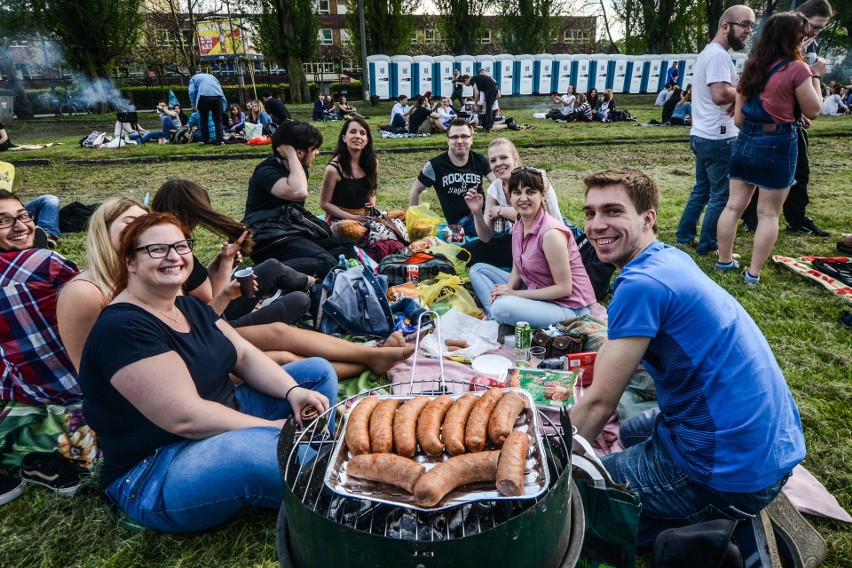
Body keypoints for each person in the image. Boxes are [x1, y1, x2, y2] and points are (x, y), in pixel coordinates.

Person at [574, 167, 806, 550]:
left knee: (582, 489)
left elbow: (599, 402)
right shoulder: (668, 258)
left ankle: (694, 534)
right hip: (771, 446)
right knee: (630, 432)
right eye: (590, 213)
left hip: (729, 472)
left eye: (612, 211)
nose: (597, 225)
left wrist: (549, 464)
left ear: (648, 218)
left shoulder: (640, 285)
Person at [76, 212, 336, 533]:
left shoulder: (187, 307)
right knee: (253, 450)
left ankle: (313, 456)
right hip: (157, 467)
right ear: (130, 262)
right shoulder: (123, 327)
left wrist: (292, 392)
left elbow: (243, 355)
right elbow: (186, 417)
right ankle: (333, 482)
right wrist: (271, 428)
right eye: (157, 249)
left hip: (224, 421)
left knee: (315, 375)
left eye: (181, 246)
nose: (174, 256)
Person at [56, 198, 415, 388]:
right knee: (281, 357)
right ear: (105, 236)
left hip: (194, 341)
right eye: (130, 227)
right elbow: (94, 374)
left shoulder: (158, 265)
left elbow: (192, 316)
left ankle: (373, 357)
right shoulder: (86, 292)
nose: (143, 233)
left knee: (281, 333)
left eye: (145, 223)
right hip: (168, 373)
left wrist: (224, 285)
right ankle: (370, 361)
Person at [715, 12, 824, 285]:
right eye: (803, 36)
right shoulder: (798, 69)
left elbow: (739, 119)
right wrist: (816, 76)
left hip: (746, 139)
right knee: (768, 214)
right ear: (793, 39)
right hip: (778, 142)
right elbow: (814, 109)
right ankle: (752, 274)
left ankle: (724, 261)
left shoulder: (752, 66)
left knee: (732, 207)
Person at [0, 190, 93, 504]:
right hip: (76, 384)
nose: (20, 226)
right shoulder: (45, 263)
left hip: (23, 386)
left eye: (23, 216)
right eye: (4, 221)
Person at [151, 180, 312, 326]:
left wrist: (217, 264)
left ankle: (312, 284)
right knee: (299, 300)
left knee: (273, 266)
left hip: (208, 319)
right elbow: (216, 301)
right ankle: (315, 287)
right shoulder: (176, 253)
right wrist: (227, 262)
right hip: (215, 325)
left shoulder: (161, 246)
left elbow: (195, 285)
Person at [741, 0, 835, 237]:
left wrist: (798, 110)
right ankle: (752, 219)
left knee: (799, 172)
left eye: (820, 29)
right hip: (775, 127)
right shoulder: (776, 52)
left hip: (786, 123)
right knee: (759, 177)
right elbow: (813, 106)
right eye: (812, 26)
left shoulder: (803, 50)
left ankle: (796, 217)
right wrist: (815, 74)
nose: (814, 33)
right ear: (798, 21)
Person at [468, 166, 595, 328]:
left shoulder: (551, 234)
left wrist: (513, 294)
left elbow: (564, 289)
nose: (523, 198)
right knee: (478, 270)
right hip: (536, 289)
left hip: (570, 308)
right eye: (517, 193)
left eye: (530, 192)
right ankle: (501, 318)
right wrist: (508, 288)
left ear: (542, 195)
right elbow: (517, 265)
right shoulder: (521, 222)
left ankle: (499, 317)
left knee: (501, 306)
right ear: (510, 197)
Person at [675, 5, 754, 256]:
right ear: (725, 26)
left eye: (751, 26)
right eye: (744, 25)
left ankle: (685, 235)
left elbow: (720, 93)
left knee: (702, 189)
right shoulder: (719, 55)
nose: (749, 31)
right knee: (721, 195)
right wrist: (742, 93)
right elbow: (720, 94)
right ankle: (709, 245)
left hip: (702, 134)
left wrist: (736, 95)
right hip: (719, 137)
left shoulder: (709, 53)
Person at [243, 121, 353, 279]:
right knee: (327, 263)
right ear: (299, 153)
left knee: (348, 246)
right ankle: (263, 274)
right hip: (268, 238)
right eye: (314, 148)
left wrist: (293, 157)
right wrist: (291, 154)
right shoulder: (266, 171)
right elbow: (299, 192)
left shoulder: (299, 169)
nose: (317, 153)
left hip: (291, 231)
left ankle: (296, 273)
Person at [462, 138, 563, 268]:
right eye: (493, 160)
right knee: (465, 253)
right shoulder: (495, 188)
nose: (498, 163)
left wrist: (501, 210)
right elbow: (486, 237)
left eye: (503, 157)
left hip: (548, 242)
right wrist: (476, 212)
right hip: (520, 242)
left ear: (515, 159)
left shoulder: (534, 177)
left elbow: (537, 220)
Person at [320, 118, 404, 243]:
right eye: (352, 132)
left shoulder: (372, 163)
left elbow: (371, 191)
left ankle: (379, 234)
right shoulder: (333, 169)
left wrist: (370, 214)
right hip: (343, 219)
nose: (357, 136)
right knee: (355, 231)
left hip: (365, 214)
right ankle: (379, 236)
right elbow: (325, 204)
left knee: (404, 215)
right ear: (344, 138)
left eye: (362, 133)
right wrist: (354, 218)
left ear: (367, 140)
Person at [409, 119, 495, 238]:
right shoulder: (435, 165)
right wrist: (415, 220)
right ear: (448, 140)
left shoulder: (480, 160)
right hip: (459, 225)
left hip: (481, 215)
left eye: (464, 136)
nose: (459, 141)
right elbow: (416, 190)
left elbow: (497, 184)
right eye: (454, 137)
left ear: (471, 139)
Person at [188, 72, 227, 145]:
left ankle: (206, 140)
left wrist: (193, 103)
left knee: (203, 120)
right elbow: (219, 88)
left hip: (204, 96)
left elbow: (192, 91)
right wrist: (224, 103)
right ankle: (220, 141)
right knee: (218, 120)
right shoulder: (212, 77)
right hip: (217, 96)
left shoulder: (193, 78)